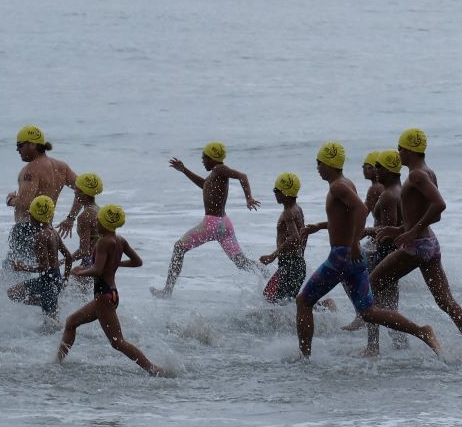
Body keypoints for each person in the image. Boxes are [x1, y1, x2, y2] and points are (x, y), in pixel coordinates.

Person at [296, 143, 441, 358]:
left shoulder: (338, 186)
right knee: (369, 312)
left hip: (341, 256)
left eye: (319, 163)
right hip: (352, 257)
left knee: (303, 301)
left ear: (329, 163)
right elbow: (344, 219)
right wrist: (320, 226)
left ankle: (304, 358)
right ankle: (422, 331)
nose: (317, 167)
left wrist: (353, 243)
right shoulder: (346, 184)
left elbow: (362, 210)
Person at [367, 129, 462, 346]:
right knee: (445, 301)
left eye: (400, 148)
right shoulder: (428, 172)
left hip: (417, 246)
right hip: (429, 243)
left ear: (408, 150)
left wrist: (411, 232)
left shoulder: (417, 175)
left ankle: (386, 342)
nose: (398, 154)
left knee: (371, 285)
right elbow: (428, 214)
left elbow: (440, 205)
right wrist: (400, 229)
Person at [58, 204, 163, 375]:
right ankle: (57, 362)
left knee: (117, 342)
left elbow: (97, 270)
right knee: (71, 322)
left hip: (104, 296)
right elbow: (138, 262)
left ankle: (153, 368)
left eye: (97, 221)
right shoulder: (120, 240)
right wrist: (115, 264)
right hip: (110, 294)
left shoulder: (103, 242)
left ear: (104, 224)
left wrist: (79, 271)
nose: (95, 223)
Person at [150, 142, 261, 298]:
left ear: (212, 157)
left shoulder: (219, 169)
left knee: (178, 248)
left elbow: (242, 176)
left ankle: (167, 291)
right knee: (241, 262)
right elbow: (204, 185)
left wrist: (249, 198)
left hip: (212, 224)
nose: (202, 160)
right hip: (224, 224)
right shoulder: (215, 173)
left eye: (204, 157)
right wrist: (184, 170)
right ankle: (266, 273)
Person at [349, 150, 408, 356]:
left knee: (371, 298)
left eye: (378, 167)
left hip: (384, 251)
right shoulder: (399, 190)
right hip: (392, 251)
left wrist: (365, 232)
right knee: (390, 302)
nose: (375, 171)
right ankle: (401, 343)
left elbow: (389, 228)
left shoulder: (388, 194)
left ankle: (373, 346)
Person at [5, 125, 79, 272]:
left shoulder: (31, 170)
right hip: (48, 230)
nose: (17, 150)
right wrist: (71, 218)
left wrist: (10, 200)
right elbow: (84, 190)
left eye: (20, 145)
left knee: (15, 272)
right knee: (47, 273)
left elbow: (25, 204)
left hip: (26, 229)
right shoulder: (61, 167)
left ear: (32, 144)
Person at [7, 196, 73, 327]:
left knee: (12, 293)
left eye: (30, 214)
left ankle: (44, 301)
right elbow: (69, 257)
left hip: (46, 282)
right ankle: (46, 302)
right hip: (55, 279)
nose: (29, 217)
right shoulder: (53, 233)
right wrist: (64, 279)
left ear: (34, 216)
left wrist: (22, 267)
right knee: (52, 322)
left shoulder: (40, 237)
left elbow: (44, 268)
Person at [260, 173, 307, 305]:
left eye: (276, 190)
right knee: (285, 304)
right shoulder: (298, 209)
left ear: (285, 192)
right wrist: (300, 256)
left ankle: (324, 306)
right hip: (296, 264)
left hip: (290, 265)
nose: (274, 193)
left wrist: (272, 256)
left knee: (272, 302)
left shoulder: (288, 212)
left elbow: (295, 238)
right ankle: (322, 308)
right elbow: (304, 235)